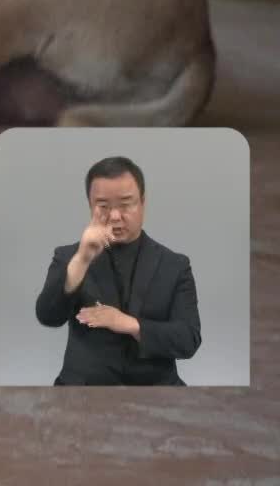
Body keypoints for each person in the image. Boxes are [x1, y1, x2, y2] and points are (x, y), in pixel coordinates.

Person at [34, 155, 202, 385]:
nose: (115, 216)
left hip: (156, 390)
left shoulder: (175, 265)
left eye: (125, 204)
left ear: (143, 202)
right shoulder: (68, 257)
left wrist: (129, 324)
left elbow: (188, 340)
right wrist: (81, 260)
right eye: (103, 206)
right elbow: (48, 317)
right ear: (90, 206)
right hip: (83, 389)